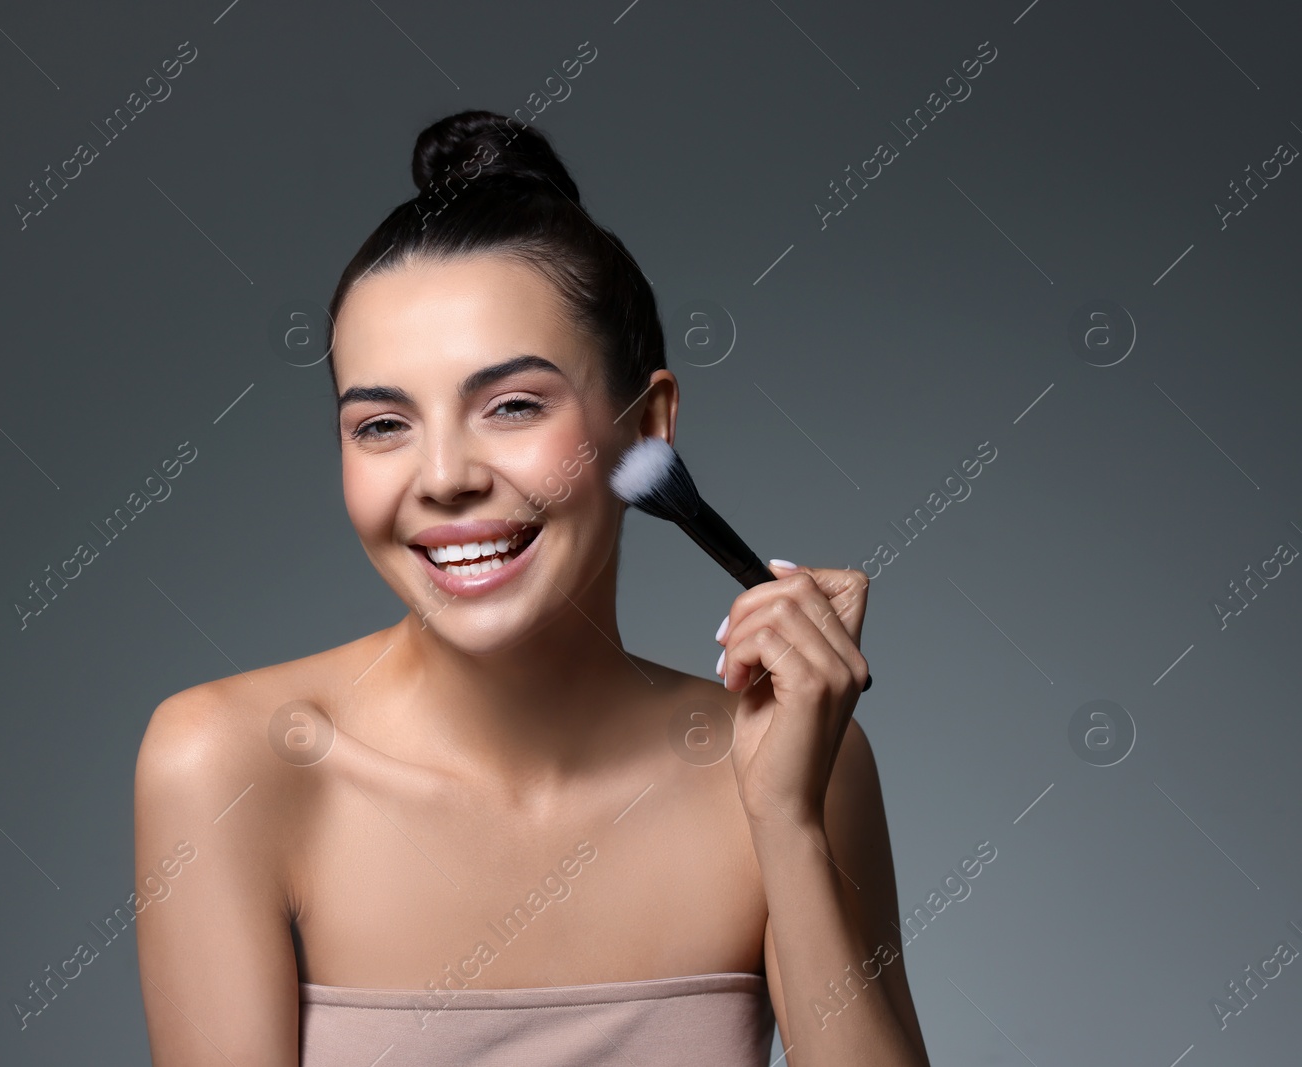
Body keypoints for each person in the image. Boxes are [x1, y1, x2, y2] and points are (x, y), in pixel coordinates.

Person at [134, 109, 929, 1066]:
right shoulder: (226, 765)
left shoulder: (799, 764)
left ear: (649, 425)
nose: (443, 476)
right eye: (382, 424)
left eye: (511, 406)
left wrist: (787, 821)